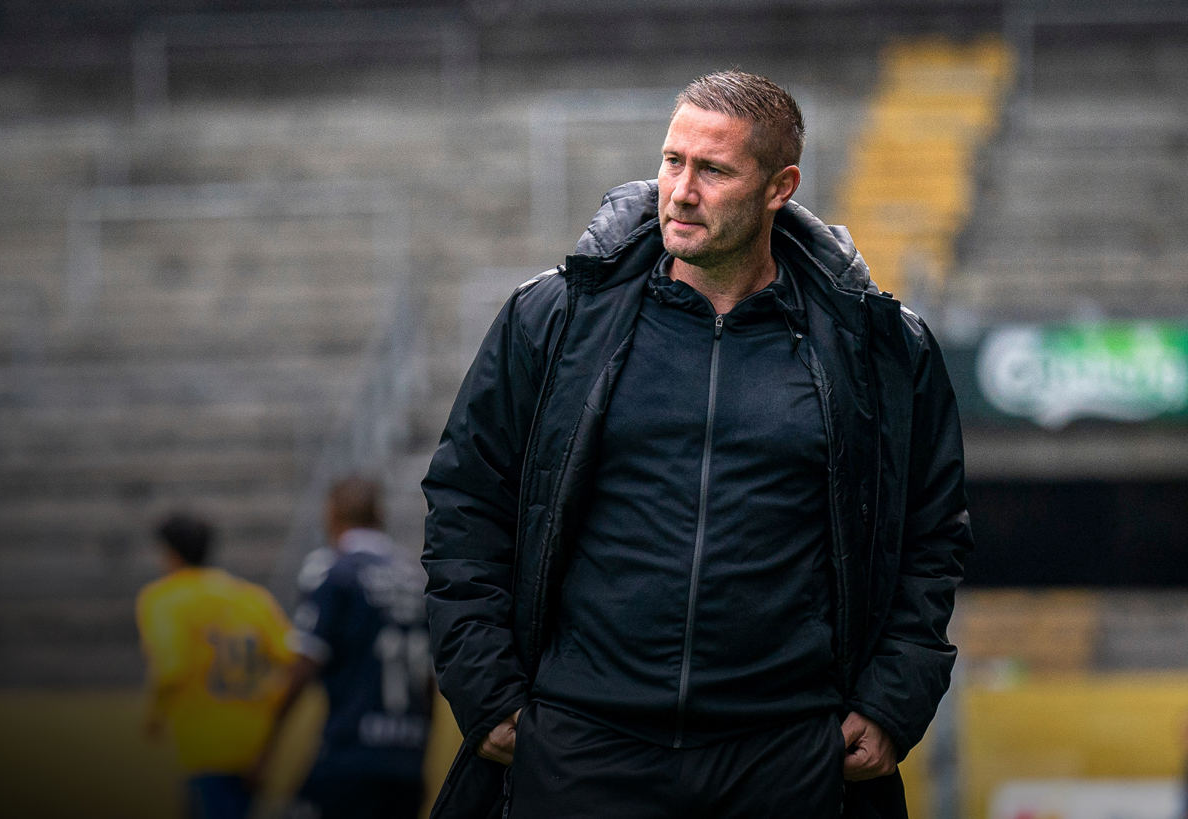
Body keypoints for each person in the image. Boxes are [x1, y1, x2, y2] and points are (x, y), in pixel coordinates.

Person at [421, 70, 973, 818]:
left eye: (713, 170)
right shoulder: (555, 319)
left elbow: (931, 536)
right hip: (581, 741)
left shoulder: (879, 349)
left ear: (780, 188)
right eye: (672, 161)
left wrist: (892, 700)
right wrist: (485, 687)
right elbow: (466, 502)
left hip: (785, 754)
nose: (680, 192)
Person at [258, 476, 434, 819]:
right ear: (379, 515)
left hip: (350, 754)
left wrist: (264, 747)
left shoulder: (334, 570)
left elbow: (304, 664)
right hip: (407, 761)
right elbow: (428, 681)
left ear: (331, 514)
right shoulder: (412, 578)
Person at [136, 511, 296, 819]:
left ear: (171, 554)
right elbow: (291, 659)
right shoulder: (251, 597)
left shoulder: (164, 598)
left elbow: (171, 668)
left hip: (205, 742)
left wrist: (154, 716)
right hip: (254, 742)